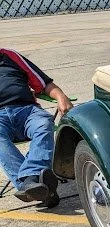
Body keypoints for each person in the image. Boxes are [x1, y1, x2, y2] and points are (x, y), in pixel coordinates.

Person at [0, 48, 72, 207]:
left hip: (27, 110)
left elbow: (45, 83)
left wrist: (61, 97)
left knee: (44, 124)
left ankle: (30, 183)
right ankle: (38, 186)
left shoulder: (10, 56)